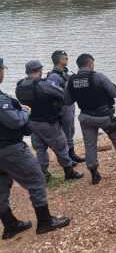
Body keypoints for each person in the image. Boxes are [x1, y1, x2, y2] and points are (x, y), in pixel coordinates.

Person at [0, 58, 70, 238]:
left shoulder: (20, 85)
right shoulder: (41, 84)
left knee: (1, 186)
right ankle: (45, 222)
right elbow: (14, 120)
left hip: (11, 144)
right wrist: (25, 112)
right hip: (9, 147)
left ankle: (10, 225)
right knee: (36, 179)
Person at [65, 54, 116, 185]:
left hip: (85, 117)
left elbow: (68, 101)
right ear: (90, 64)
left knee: (90, 145)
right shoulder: (98, 76)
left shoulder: (71, 80)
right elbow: (114, 93)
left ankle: (94, 175)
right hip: (104, 117)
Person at [15, 61, 83, 182]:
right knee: (61, 146)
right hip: (48, 122)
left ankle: (44, 174)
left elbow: (21, 101)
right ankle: (69, 172)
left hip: (32, 122)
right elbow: (62, 94)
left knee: (40, 149)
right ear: (39, 70)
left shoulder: (20, 85)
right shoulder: (43, 84)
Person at [47, 50, 84, 164]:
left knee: (70, 130)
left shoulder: (64, 72)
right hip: (62, 107)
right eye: (65, 58)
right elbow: (51, 93)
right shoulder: (53, 76)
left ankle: (71, 154)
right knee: (66, 132)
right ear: (60, 60)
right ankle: (68, 157)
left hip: (69, 105)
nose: (67, 59)